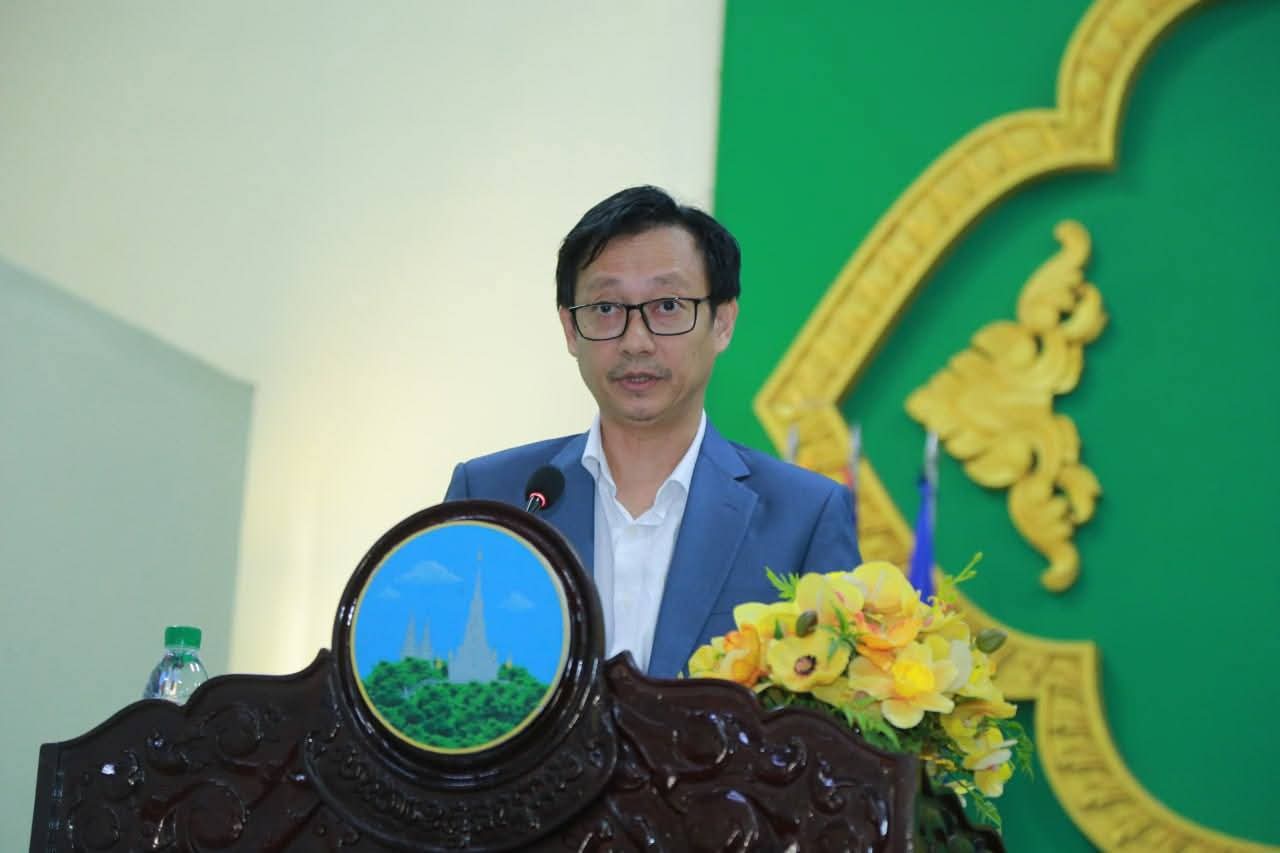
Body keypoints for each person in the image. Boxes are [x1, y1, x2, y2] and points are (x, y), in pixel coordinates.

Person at [444, 185, 860, 678]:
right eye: (606, 309)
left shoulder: (805, 517)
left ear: (722, 323)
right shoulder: (492, 496)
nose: (636, 341)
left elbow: (833, 710)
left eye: (667, 305)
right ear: (570, 330)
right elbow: (440, 683)